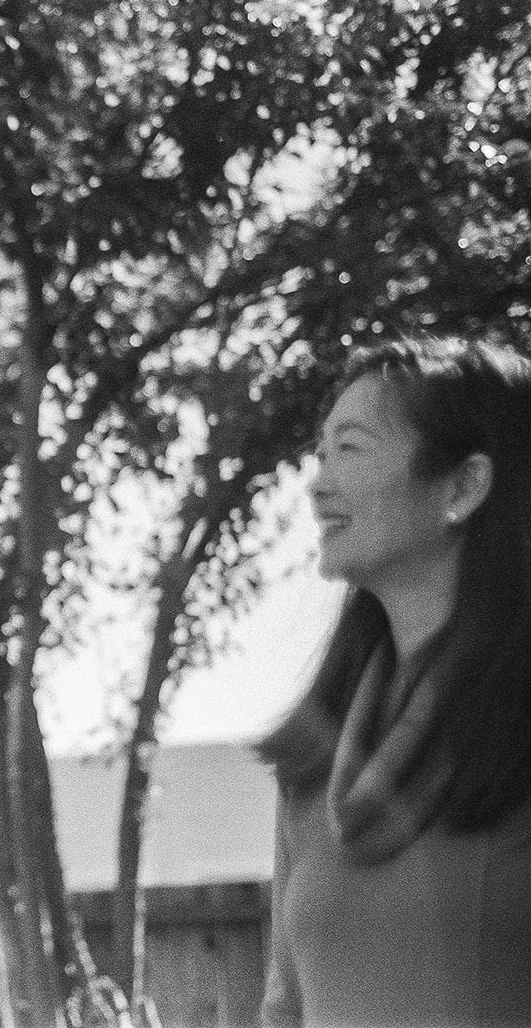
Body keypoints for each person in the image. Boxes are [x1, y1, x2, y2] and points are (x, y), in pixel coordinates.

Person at [258, 335, 531, 1027]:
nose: (318, 483)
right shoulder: (311, 759)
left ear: (464, 486)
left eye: (350, 447)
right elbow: (283, 1010)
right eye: (320, 453)